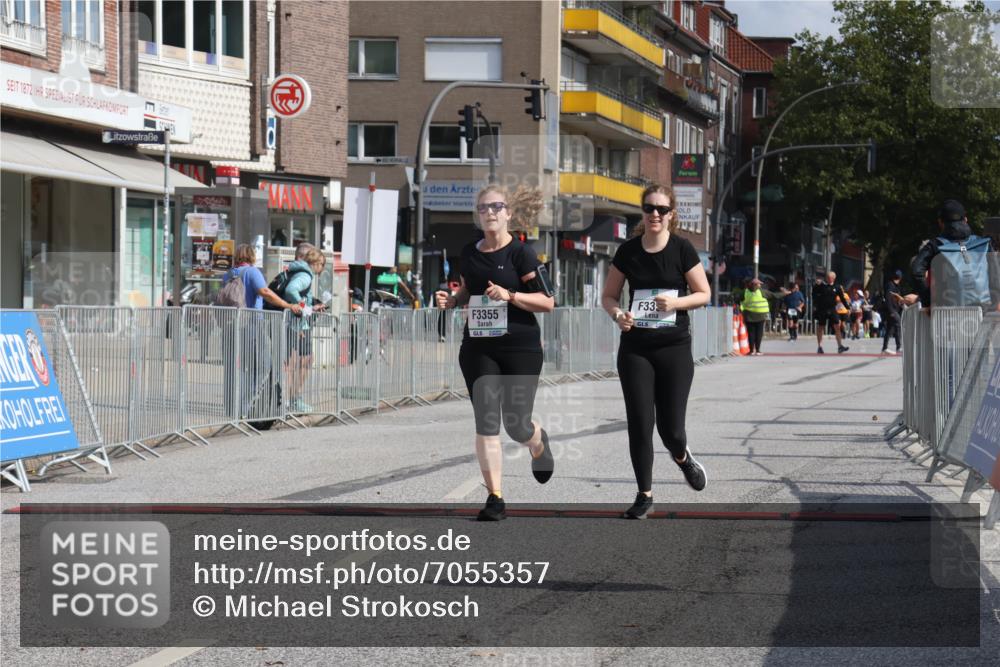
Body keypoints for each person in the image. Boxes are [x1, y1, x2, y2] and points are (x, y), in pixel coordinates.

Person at [434, 185, 555, 521]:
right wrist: (452, 300)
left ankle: (537, 442)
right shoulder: (469, 253)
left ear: (508, 214)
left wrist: (510, 295)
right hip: (478, 347)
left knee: (516, 424)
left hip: (520, 347)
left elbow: (547, 302)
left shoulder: (522, 254)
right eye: (483, 207)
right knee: (487, 423)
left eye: (496, 207)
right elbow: (469, 290)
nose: (490, 212)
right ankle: (495, 497)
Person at [601, 184, 711, 520]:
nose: (654, 215)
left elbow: (703, 293)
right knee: (639, 422)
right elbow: (609, 296)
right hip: (636, 348)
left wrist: (677, 302)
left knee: (671, 429)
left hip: (674, 347)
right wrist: (619, 315)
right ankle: (644, 494)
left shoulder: (682, 249)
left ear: (671, 214)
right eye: (649, 208)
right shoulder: (629, 252)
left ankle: (683, 457)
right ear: (643, 211)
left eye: (662, 210)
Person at [220, 244, 302, 418]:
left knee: (236, 368)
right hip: (252, 325)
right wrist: (288, 305)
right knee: (263, 366)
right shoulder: (252, 272)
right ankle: (244, 406)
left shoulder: (228, 275)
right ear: (251, 256)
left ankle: (231, 408)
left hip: (231, 327)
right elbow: (265, 292)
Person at [911, 199, 1000, 312]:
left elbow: (916, 271)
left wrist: (928, 302)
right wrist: (995, 303)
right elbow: (995, 276)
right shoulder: (984, 243)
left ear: (940, 222)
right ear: (966, 220)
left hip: (946, 314)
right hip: (982, 312)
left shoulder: (935, 246)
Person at [281, 246, 327, 413]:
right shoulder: (305, 275)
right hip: (299, 324)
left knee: (299, 362)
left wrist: (310, 308)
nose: (322, 269)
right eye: (322, 265)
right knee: (303, 362)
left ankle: (291, 399)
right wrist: (303, 308)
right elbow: (291, 290)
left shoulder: (298, 271)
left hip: (296, 323)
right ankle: (294, 399)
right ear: (316, 263)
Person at [739, 278, 787, 355]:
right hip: (760, 316)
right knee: (759, 333)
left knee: (751, 333)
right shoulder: (762, 292)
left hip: (749, 316)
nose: (760, 285)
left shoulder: (745, 292)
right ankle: (757, 350)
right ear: (755, 285)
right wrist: (784, 293)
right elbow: (774, 295)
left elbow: (738, 298)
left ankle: (751, 351)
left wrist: (741, 309)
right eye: (759, 284)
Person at [812, 271, 851, 354]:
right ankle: (819, 346)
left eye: (829, 277)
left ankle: (840, 346)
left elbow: (843, 298)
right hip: (822, 309)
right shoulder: (821, 286)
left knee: (837, 326)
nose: (828, 279)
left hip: (832, 309)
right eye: (827, 277)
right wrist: (816, 285)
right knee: (820, 327)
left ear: (833, 278)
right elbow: (814, 293)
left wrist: (848, 308)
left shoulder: (837, 287)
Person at [881, 270, 905, 354]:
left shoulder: (896, 286)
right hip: (892, 310)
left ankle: (884, 348)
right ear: (900, 277)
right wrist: (891, 311)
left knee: (889, 328)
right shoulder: (890, 285)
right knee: (898, 324)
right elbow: (888, 298)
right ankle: (898, 347)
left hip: (894, 309)